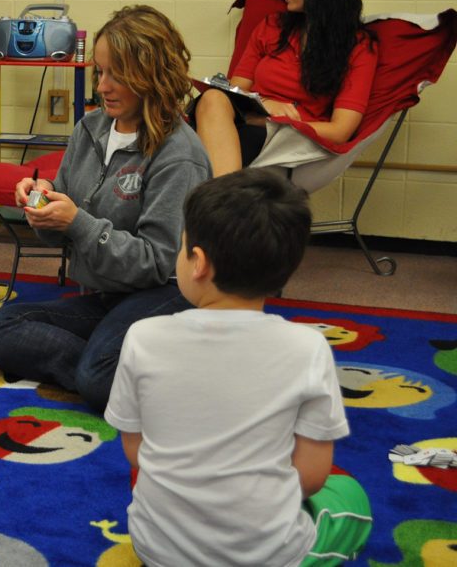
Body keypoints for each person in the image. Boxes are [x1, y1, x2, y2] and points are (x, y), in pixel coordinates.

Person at [105, 168, 372, 566]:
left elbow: (135, 451)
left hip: (157, 548)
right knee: (351, 499)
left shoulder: (143, 336)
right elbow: (312, 477)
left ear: (198, 263)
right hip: (266, 554)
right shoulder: (310, 347)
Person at [0, 5, 212, 413]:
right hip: (106, 296)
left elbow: (158, 263)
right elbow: (59, 229)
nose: (102, 86)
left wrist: (78, 222)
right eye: (100, 72)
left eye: (116, 74)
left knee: (98, 378)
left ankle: (119, 363)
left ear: (150, 75)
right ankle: (120, 360)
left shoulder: (179, 155)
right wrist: (42, 202)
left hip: (165, 295)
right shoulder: (90, 129)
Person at [192, 0, 378, 176]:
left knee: (197, 152)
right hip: (245, 119)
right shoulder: (272, 26)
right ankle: (216, 202)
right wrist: (265, 104)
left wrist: (277, 122)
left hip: (292, 137)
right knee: (212, 99)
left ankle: (213, 201)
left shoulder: (359, 47)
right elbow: (236, 91)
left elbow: (341, 130)